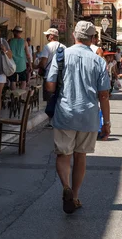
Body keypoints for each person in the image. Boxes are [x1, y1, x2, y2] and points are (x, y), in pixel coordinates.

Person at [46, 21, 110, 214]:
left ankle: (65, 186)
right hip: (88, 114)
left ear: (74, 35)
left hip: (65, 111)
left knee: (63, 154)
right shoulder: (99, 61)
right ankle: (74, 196)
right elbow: (104, 95)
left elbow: (49, 86)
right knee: (80, 156)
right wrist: (106, 122)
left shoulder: (62, 55)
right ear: (92, 39)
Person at [38, 27, 66, 128]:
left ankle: (50, 120)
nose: (46, 36)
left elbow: (44, 61)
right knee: (59, 97)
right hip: (61, 76)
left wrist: (39, 67)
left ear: (51, 36)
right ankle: (59, 118)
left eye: (47, 35)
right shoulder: (63, 47)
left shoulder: (47, 47)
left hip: (49, 76)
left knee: (49, 98)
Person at [8, 26, 31, 90]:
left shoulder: (9, 41)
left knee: (13, 81)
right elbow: (27, 55)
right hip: (22, 65)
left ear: (14, 32)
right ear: (21, 33)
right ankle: (20, 96)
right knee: (23, 81)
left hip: (12, 64)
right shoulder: (24, 42)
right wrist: (30, 64)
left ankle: (14, 96)